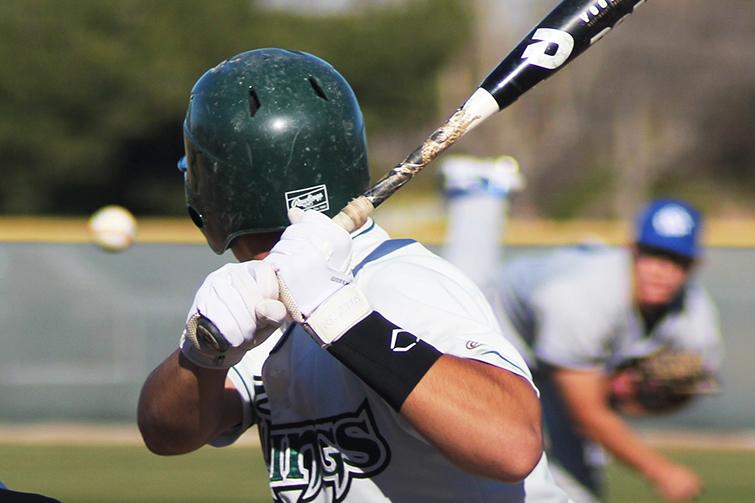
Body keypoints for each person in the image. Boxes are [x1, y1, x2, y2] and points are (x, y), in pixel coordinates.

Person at [137, 48, 571, 502]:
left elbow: (512, 445)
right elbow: (167, 434)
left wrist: (342, 318)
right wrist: (202, 354)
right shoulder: (262, 299)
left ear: (217, 187)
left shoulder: (400, 280)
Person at [441, 162, 724, 503]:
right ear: (632, 251)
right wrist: (659, 470)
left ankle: (479, 193)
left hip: (558, 353)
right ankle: (477, 194)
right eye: (653, 255)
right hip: (496, 325)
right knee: (458, 291)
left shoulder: (695, 318)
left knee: (577, 493)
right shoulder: (582, 297)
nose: (661, 271)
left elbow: (690, 385)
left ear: (693, 267)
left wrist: (634, 398)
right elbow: (586, 412)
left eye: (675, 260)